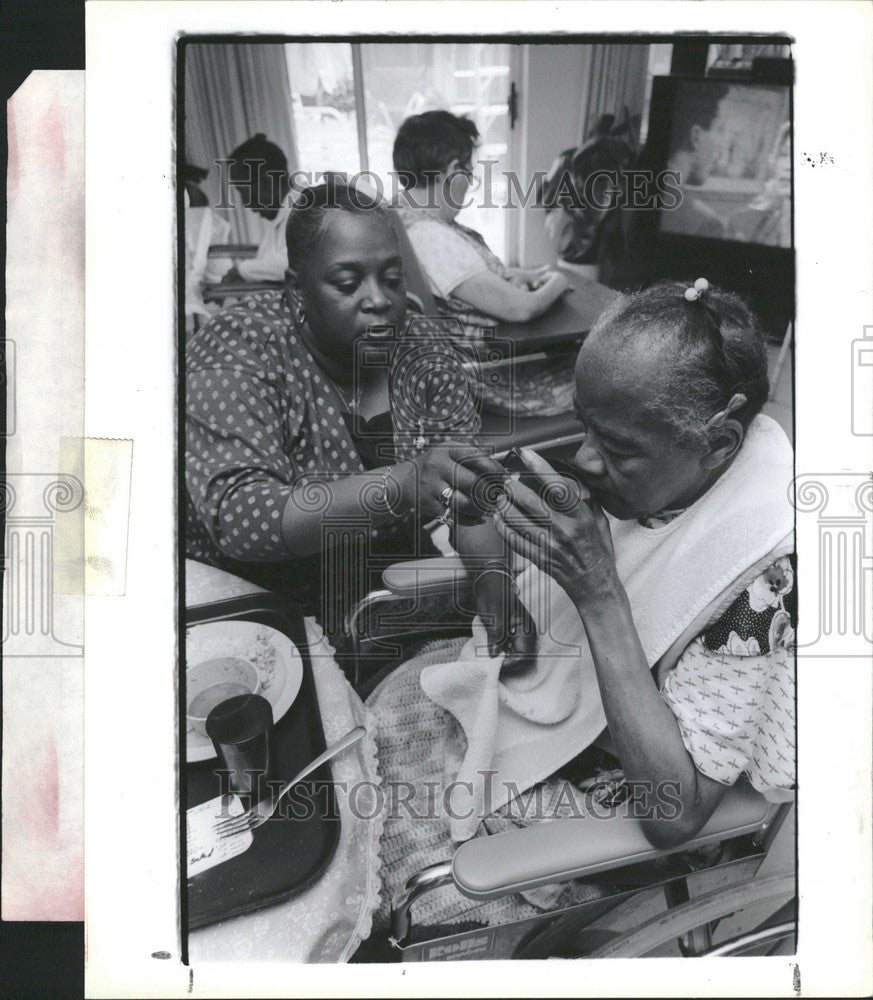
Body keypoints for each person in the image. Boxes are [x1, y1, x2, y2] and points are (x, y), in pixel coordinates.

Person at [362, 277, 795, 945]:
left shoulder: (761, 577)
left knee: (414, 890)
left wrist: (596, 590)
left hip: (628, 798)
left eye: (616, 448)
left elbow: (674, 814)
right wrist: (492, 577)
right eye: (583, 426)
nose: (587, 458)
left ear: (718, 443)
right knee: (377, 727)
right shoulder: (658, 466)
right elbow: (485, 535)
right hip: (545, 704)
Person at [185, 180, 535, 664]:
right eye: (348, 284)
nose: (379, 300)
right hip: (267, 603)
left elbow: (463, 489)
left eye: (393, 279)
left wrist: (495, 588)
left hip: (381, 583)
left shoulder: (422, 350)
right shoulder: (240, 346)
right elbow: (241, 517)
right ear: (297, 290)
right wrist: (400, 483)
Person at [391, 110, 577, 417]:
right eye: (470, 173)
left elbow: (459, 280)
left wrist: (518, 274)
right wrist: (558, 280)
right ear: (453, 171)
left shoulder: (404, 219)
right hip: (494, 378)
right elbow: (522, 309)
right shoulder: (432, 237)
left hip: (469, 371)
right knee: (610, 374)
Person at [224, 133, 297, 282]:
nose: (245, 203)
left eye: (245, 192)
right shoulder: (283, 214)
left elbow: (296, 263)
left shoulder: (305, 210)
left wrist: (241, 271)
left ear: (269, 182)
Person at [663, 84, 731, 239]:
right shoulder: (703, 223)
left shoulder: (631, 192)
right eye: (719, 130)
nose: (721, 147)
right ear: (695, 136)